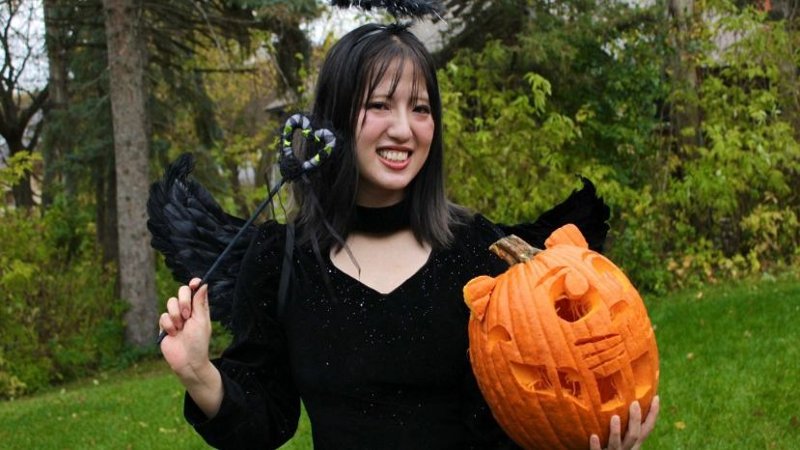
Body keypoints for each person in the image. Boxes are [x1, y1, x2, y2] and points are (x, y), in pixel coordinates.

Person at [157, 22, 659, 449]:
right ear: (332, 121)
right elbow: (266, 419)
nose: (404, 129)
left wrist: (583, 433)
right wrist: (200, 372)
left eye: (420, 109)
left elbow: (521, 413)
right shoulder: (283, 260)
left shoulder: (475, 252)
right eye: (379, 105)